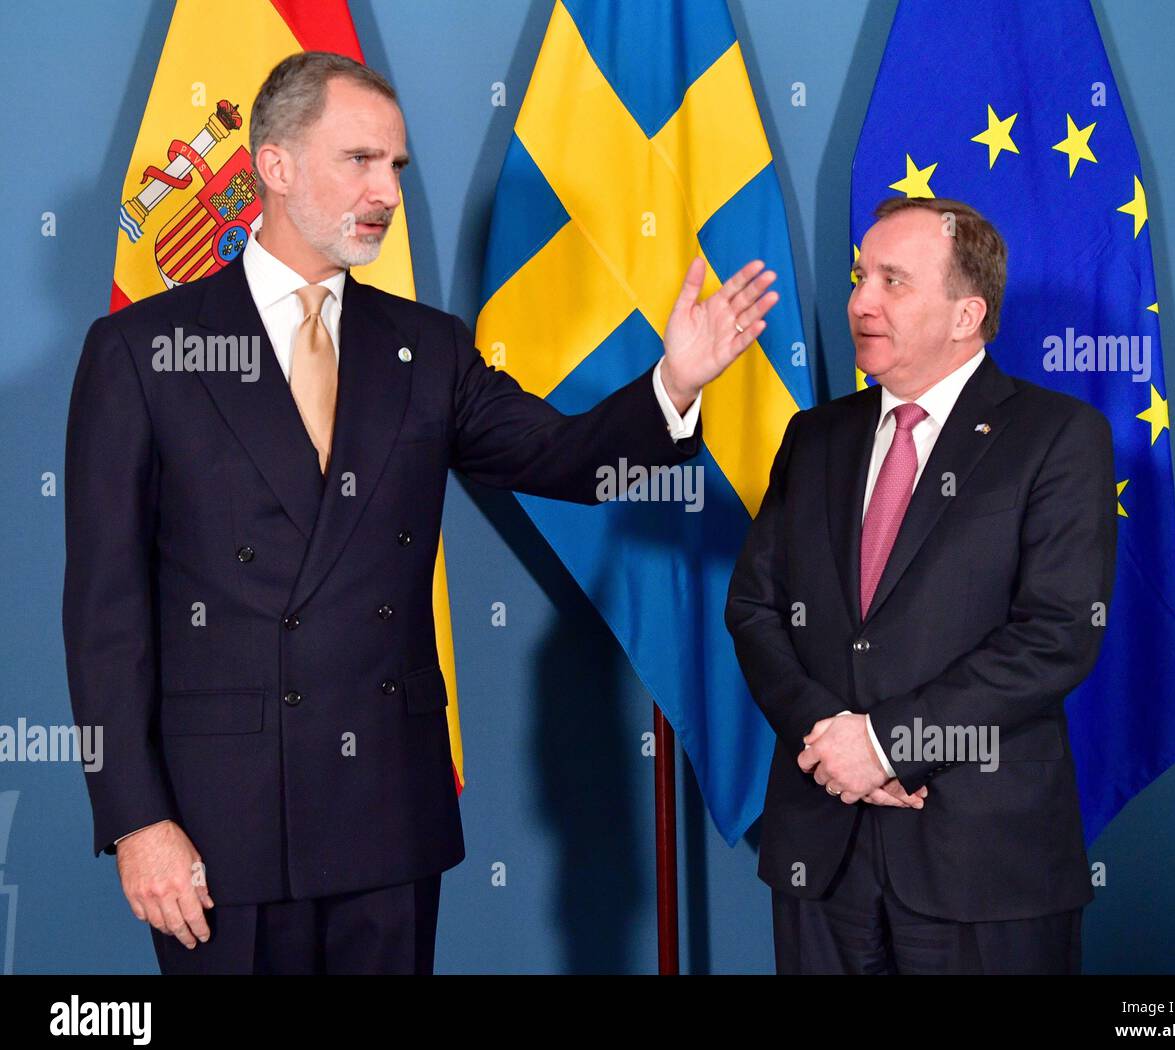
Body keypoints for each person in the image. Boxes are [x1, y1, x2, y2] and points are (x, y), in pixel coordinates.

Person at [63, 51, 778, 975]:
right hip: (217, 829)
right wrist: (135, 819)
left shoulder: (425, 349)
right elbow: (102, 618)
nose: (385, 190)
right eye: (358, 160)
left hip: (385, 821)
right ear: (273, 168)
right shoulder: (142, 350)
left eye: (395, 166)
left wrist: (675, 381)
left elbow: (567, 460)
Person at [725, 196, 1115, 974]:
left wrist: (889, 745)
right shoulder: (815, 436)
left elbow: (1058, 633)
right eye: (861, 276)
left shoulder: (1059, 438)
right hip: (821, 856)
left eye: (892, 281)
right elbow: (754, 608)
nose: (860, 300)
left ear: (967, 312)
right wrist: (833, 744)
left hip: (981, 864)